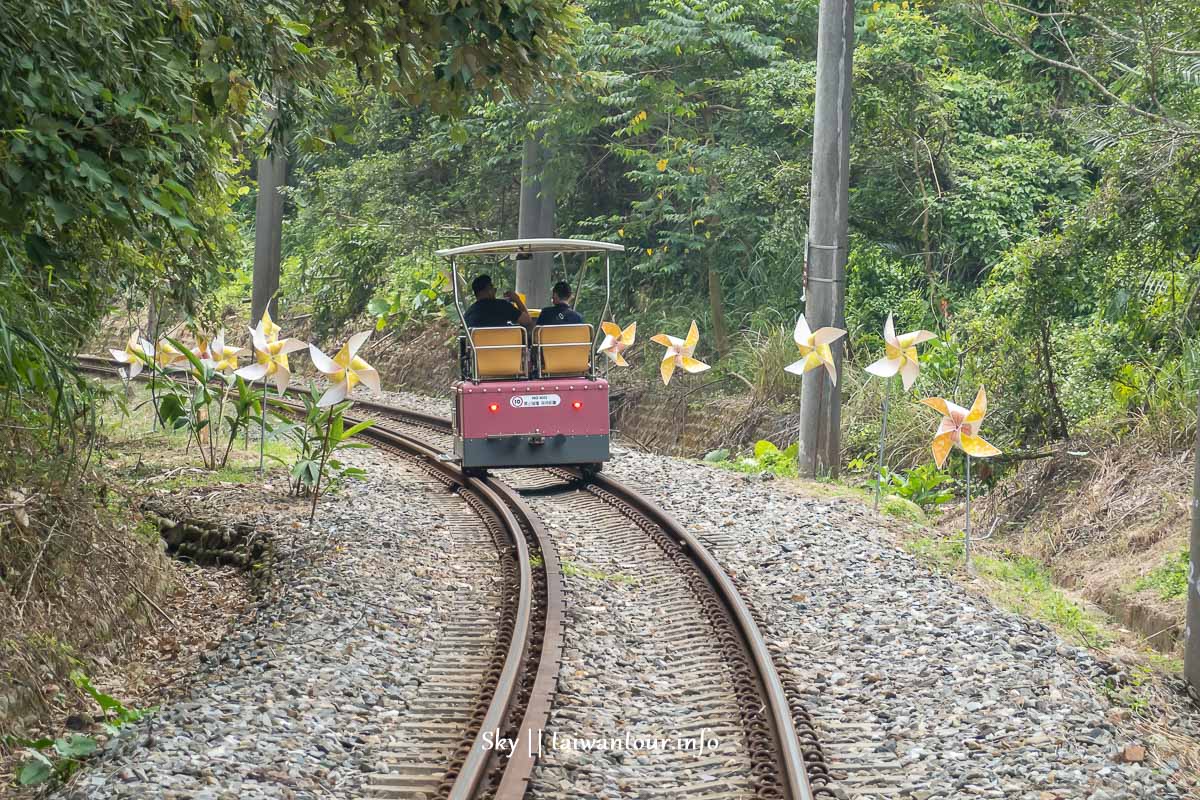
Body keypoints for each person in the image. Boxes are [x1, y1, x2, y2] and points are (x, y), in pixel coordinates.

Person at [464, 274, 533, 329]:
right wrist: (517, 300)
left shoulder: (468, 313)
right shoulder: (503, 306)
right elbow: (527, 321)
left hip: (477, 346)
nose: (495, 291)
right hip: (506, 345)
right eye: (493, 288)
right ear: (488, 290)